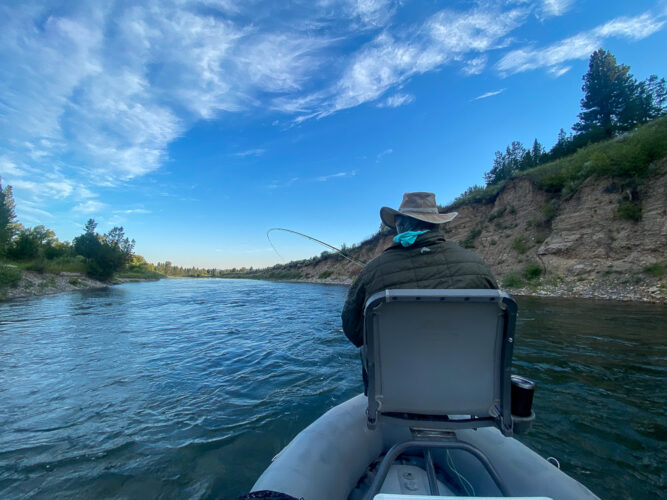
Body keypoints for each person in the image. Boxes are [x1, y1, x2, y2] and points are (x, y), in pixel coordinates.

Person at [341, 192, 497, 348]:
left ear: (401, 225)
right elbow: (495, 322)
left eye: (397, 223)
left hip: (395, 370)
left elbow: (355, 333)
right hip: (465, 368)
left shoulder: (372, 270)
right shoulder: (477, 265)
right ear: (436, 225)